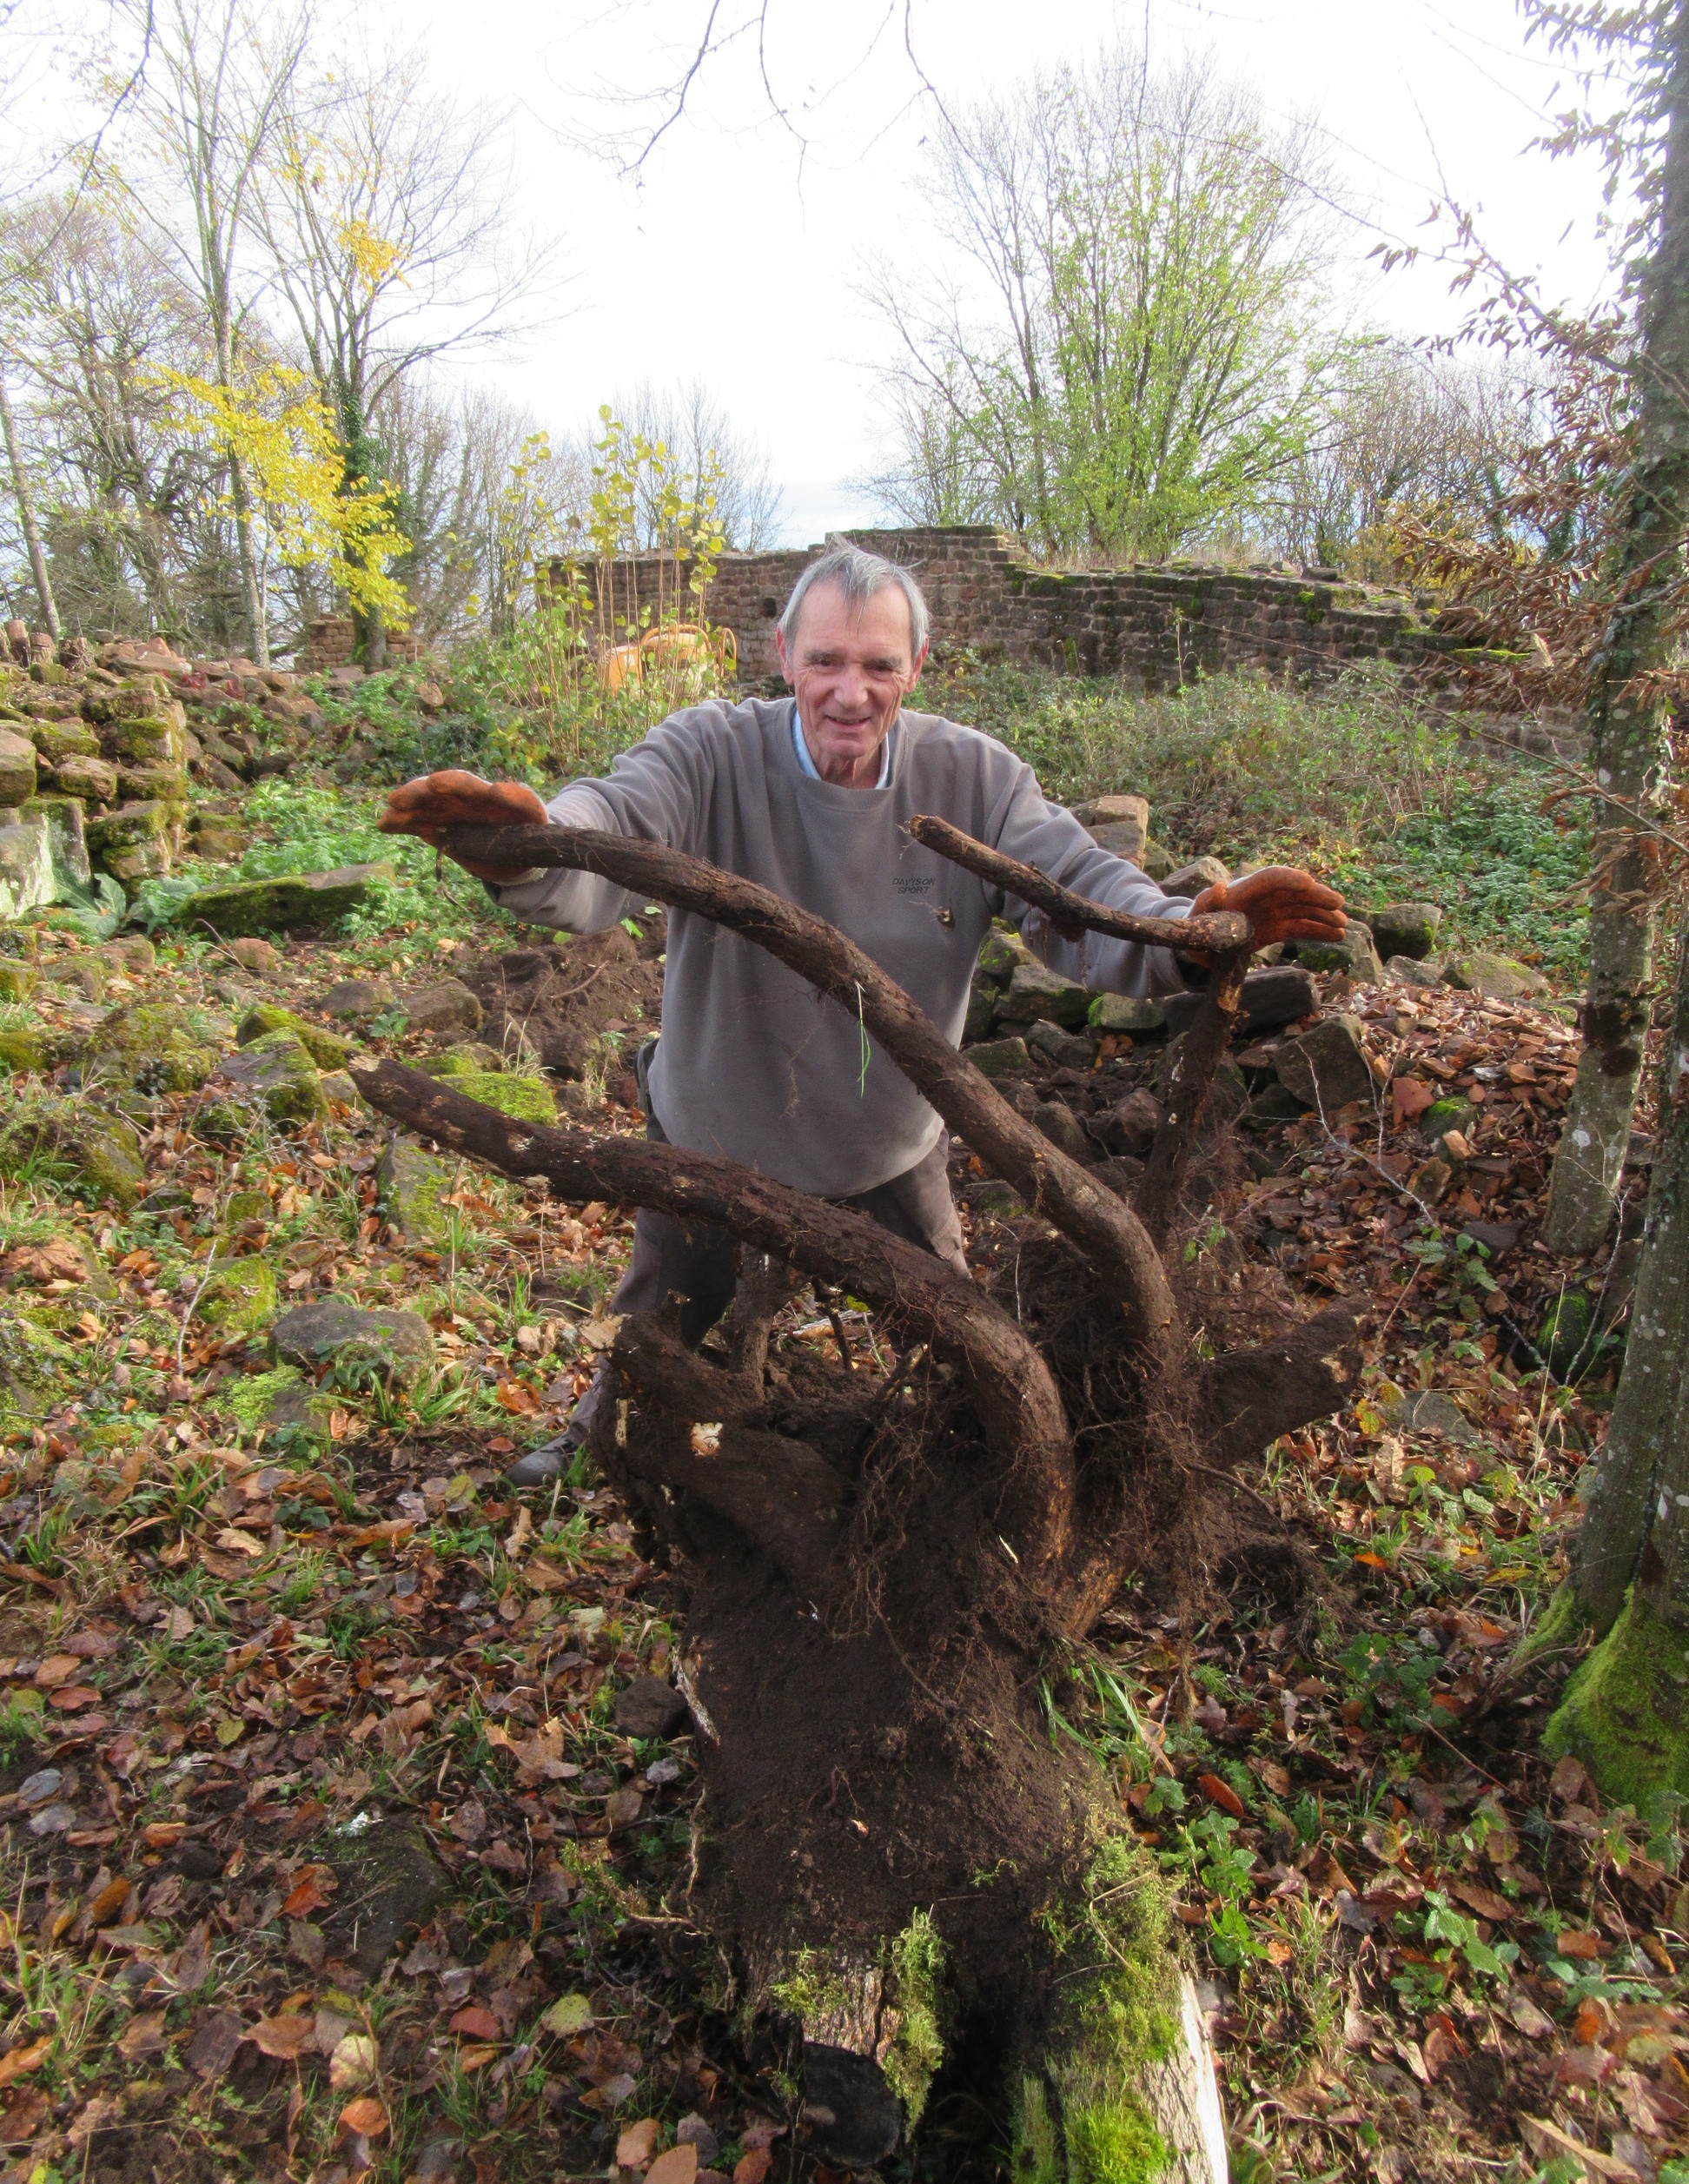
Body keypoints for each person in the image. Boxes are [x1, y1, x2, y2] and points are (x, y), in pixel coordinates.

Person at [380, 544, 1347, 1481]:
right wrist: (528, 846)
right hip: (717, 1128)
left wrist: (1191, 934)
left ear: (916, 666)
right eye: (827, 661)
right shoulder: (711, 751)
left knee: (967, 1342)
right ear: (783, 657)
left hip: (890, 1136)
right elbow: (611, 821)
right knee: (662, 1320)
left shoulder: (974, 780)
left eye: (880, 666)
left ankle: (991, 1467)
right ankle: (598, 1437)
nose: (852, 692)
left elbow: (1079, 888)